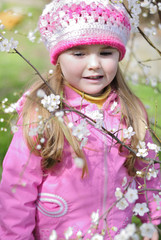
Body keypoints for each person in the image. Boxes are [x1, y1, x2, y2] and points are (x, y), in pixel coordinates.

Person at [0, 0, 160, 239]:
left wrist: (154, 222)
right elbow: (17, 188)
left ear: (119, 55)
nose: (94, 64)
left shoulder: (130, 110)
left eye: (106, 53)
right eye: (78, 53)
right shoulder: (43, 111)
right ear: (58, 57)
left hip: (116, 232)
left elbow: (149, 173)